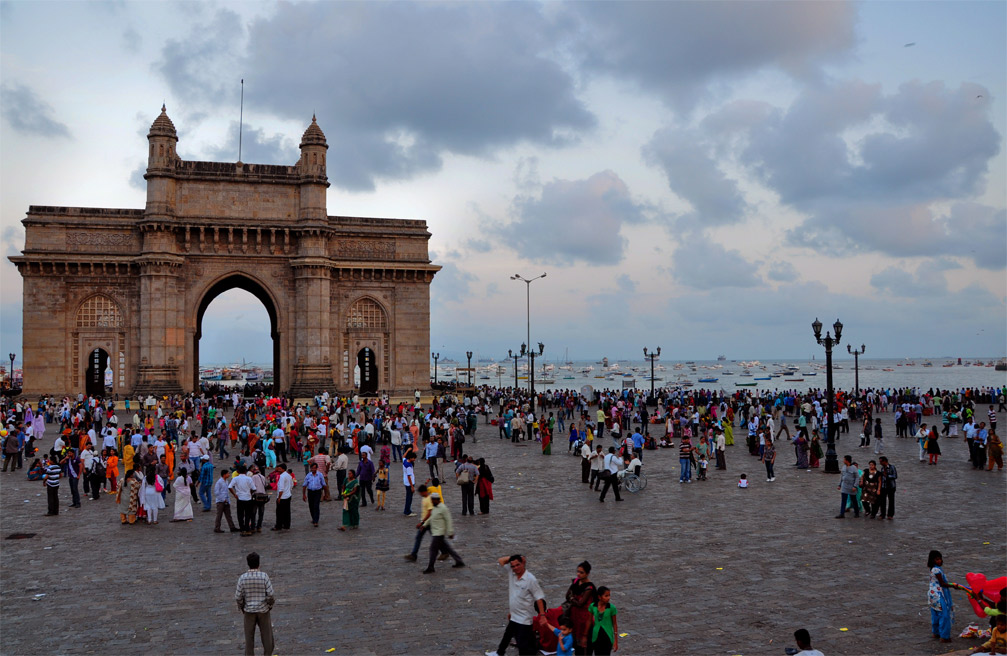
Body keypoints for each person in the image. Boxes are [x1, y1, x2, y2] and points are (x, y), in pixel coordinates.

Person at [485, 554, 546, 656]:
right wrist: (512, 558)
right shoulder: (511, 573)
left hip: (524, 618)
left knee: (522, 644)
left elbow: (539, 598)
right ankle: (500, 652)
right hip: (514, 614)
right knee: (508, 634)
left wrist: (542, 615)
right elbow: (501, 560)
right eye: (513, 566)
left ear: (523, 563)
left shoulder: (530, 579)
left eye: (518, 565)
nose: (515, 568)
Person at [235, 552, 275, 656]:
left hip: (249, 611)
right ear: (259, 563)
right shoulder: (264, 576)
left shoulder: (242, 578)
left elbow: (238, 596)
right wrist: (269, 605)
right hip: (263, 610)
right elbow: (270, 594)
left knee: (249, 639)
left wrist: (242, 606)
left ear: (248, 563)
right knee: (267, 637)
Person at [421, 492, 464, 573]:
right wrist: (424, 524)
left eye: (432, 500)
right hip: (436, 532)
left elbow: (448, 520)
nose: (432, 502)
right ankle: (459, 561)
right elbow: (431, 517)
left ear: (437, 500)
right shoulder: (435, 507)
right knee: (448, 548)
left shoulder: (443, 508)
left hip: (439, 532)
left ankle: (431, 567)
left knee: (433, 549)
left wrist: (450, 532)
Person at [563, 561, 596, 655]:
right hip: (575, 616)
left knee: (585, 642)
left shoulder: (589, 587)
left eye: (581, 572)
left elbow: (580, 603)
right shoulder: (576, 582)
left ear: (587, 573)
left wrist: (572, 599)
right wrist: (574, 599)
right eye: (578, 572)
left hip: (584, 617)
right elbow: (567, 596)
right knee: (576, 642)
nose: (579, 574)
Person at [927, 550, 954, 643]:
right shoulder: (937, 570)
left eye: (940, 559)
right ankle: (944, 636)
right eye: (937, 559)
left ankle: (936, 632)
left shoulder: (932, 569)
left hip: (932, 594)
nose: (939, 561)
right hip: (939, 595)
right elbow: (942, 583)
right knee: (944, 615)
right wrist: (954, 586)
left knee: (935, 613)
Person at [588, 586, 618, 655]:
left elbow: (614, 624)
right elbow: (589, 621)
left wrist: (615, 641)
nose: (608, 598)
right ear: (599, 597)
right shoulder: (593, 606)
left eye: (609, 595)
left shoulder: (611, 608)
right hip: (596, 636)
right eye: (606, 596)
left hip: (607, 637)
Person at [302, 461, 327, 527]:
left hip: (317, 492)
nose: (313, 469)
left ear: (316, 468)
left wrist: (325, 493)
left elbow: (324, 484)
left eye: (314, 468)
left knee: (316, 506)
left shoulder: (320, 475)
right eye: (312, 468)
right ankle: (313, 518)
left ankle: (316, 520)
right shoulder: (308, 475)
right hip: (310, 492)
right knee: (311, 506)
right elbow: (304, 485)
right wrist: (304, 495)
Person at [271, 463, 293, 531]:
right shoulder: (288, 475)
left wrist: (279, 497)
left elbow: (281, 488)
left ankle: (278, 525)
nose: (278, 469)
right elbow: (291, 485)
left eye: (280, 468)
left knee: (279, 512)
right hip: (288, 495)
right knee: (287, 511)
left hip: (282, 497)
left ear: (283, 469)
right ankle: (286, 525)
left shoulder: (282, 477)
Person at [878, 456, 897, 520]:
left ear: (885, 461)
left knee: (891, 501)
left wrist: (888, 476)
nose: (880, 463)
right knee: (882, 501)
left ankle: (890, 514)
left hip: (891, 487)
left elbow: (895, 476)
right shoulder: (882, 468)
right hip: (884, 486)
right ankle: (882, 514)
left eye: (881, 461)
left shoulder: (892, 467)